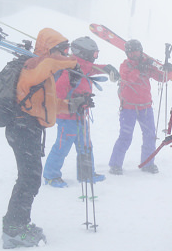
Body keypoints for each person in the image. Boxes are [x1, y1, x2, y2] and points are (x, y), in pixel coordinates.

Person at [1, 28, 80, 248]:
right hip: (22, 127)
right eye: (60, 51)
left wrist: (74, 104)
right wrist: (71, 63)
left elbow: (47, 104)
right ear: (49, 50)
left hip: (29, 128)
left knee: (29, 178)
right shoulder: (33, 67)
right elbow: (49, 64)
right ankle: (14, 229)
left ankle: (17, 225)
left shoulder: (44, 73)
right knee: (29, 179)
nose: (63, 55)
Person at [42, 36, 118, 187]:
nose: (96, 57)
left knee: (85, 145)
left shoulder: (82, 66)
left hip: (81, 115)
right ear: (84, 53)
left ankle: (86, 174)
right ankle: (51, 176)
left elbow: (91, 69)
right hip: (67, 117)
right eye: (94, 54)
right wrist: (74, 103)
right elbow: (56, 97)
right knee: (62, 146)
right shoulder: (69, 71)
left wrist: (106, 68)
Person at [108, 39, 172, 175]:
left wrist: (169, 70)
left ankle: (148, 163)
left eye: (137, 52)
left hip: (145, 107)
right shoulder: (124, 65)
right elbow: (128, 78)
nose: (135, 55)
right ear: (127, 54)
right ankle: (115, 165)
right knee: (125, 136)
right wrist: (139, 69)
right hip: (128, 108)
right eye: (132, 53)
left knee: (150, 135)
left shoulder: (146, 65)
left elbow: (161, 77)